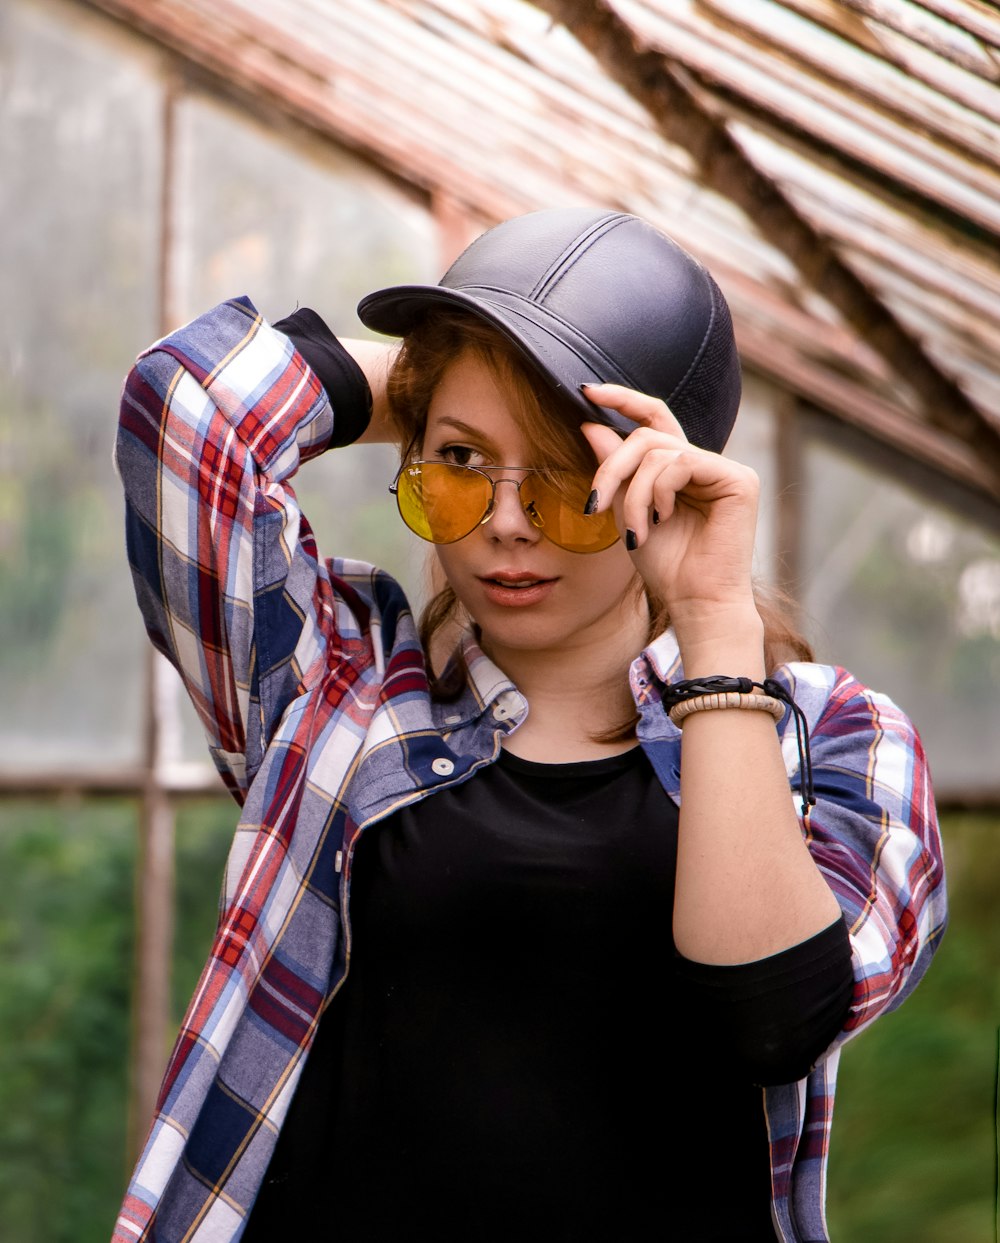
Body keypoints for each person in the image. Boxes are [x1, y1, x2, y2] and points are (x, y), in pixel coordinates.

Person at [113, 208, 946, 1243]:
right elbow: (186, 406)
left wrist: (715, 622)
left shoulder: (841, 743)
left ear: (659, 477)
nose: (506, 518)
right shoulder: (335, 684)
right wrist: (439, 378)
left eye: (566, 472)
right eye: (459, 464)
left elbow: (776, 1016)